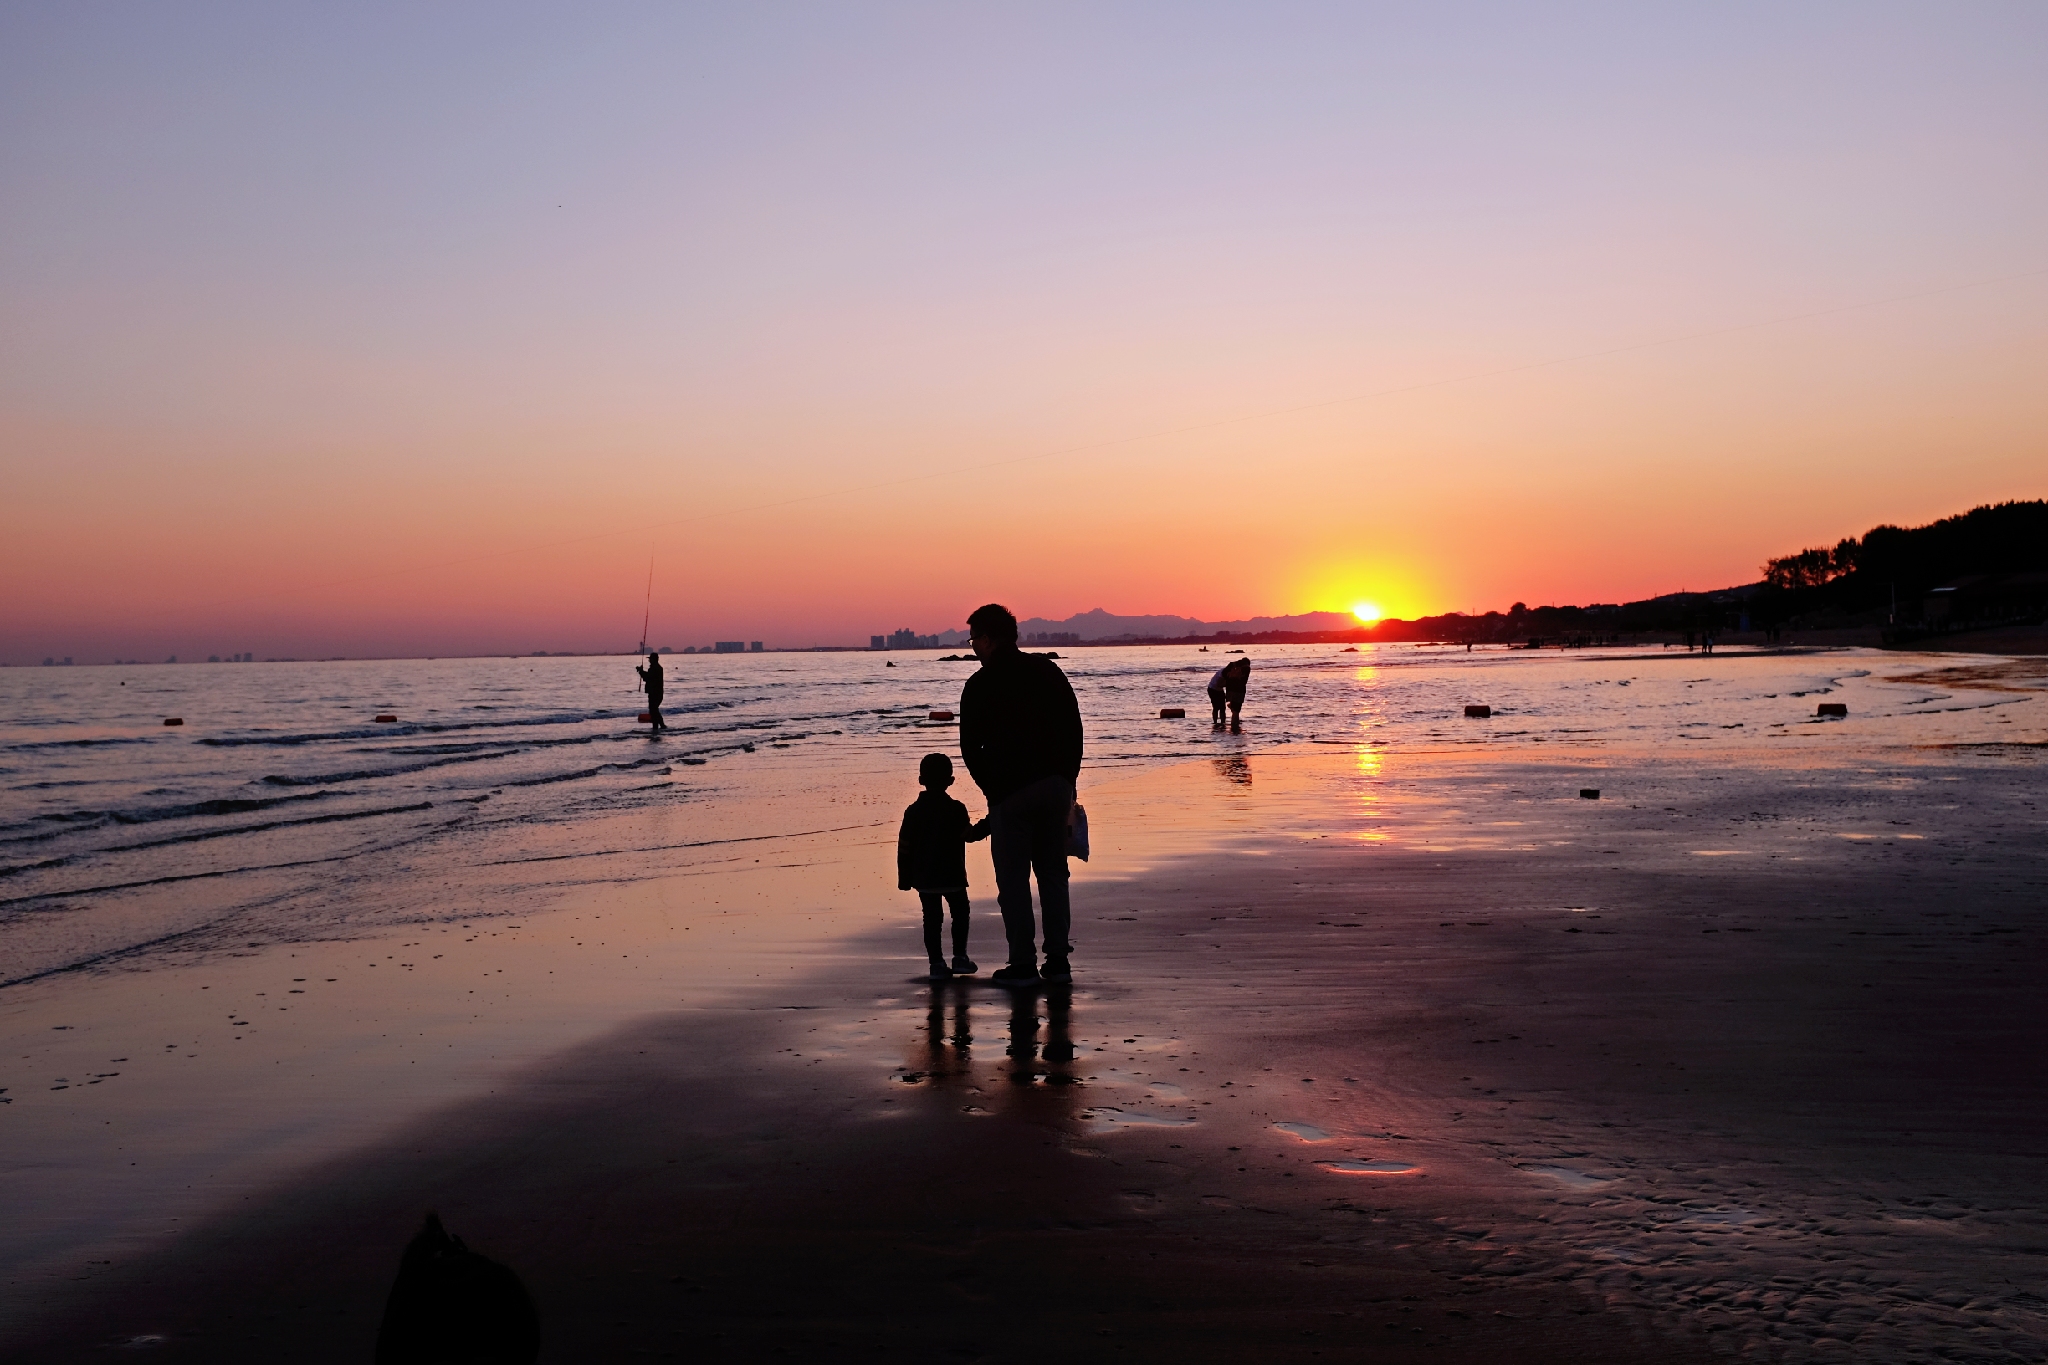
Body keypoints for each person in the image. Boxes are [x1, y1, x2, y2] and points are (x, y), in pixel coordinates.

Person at [959, 603, 1084, 985]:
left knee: (1013, 881)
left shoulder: (979, 685)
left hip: (1010, 794)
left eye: (975, 638)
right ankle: (1059, 962)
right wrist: (1067, 781)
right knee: (1053, 875)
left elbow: (970, 748)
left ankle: (1023, 963)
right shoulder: (1047, 670)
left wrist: (992, 791)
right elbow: (1074, 729)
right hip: (1053, 787)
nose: (974, 646)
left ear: (988, 638)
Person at [896, 752, 988, 980]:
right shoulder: (956, 809)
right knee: (960, 914)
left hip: (925, 878)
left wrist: (904, 878)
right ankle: (960, 957)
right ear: (951, 781)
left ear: (921, 780)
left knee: (932, 919)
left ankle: (936, 963)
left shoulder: (913, 812)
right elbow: (970, 835)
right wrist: (991, 822)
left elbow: (904, 848)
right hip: (952, 875)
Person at [635, 652, 668, 732]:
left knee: (653, 710)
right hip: (656, 693)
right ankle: (657, 726)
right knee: (654, 710)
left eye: (650, 659)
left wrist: (641, 671)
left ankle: (660, 726)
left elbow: (648, 677)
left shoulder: (655, 668)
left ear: (654, 659)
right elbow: (648, 676)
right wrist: (641, 671)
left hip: (655, 693)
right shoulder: (657, 668)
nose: (649, 661)